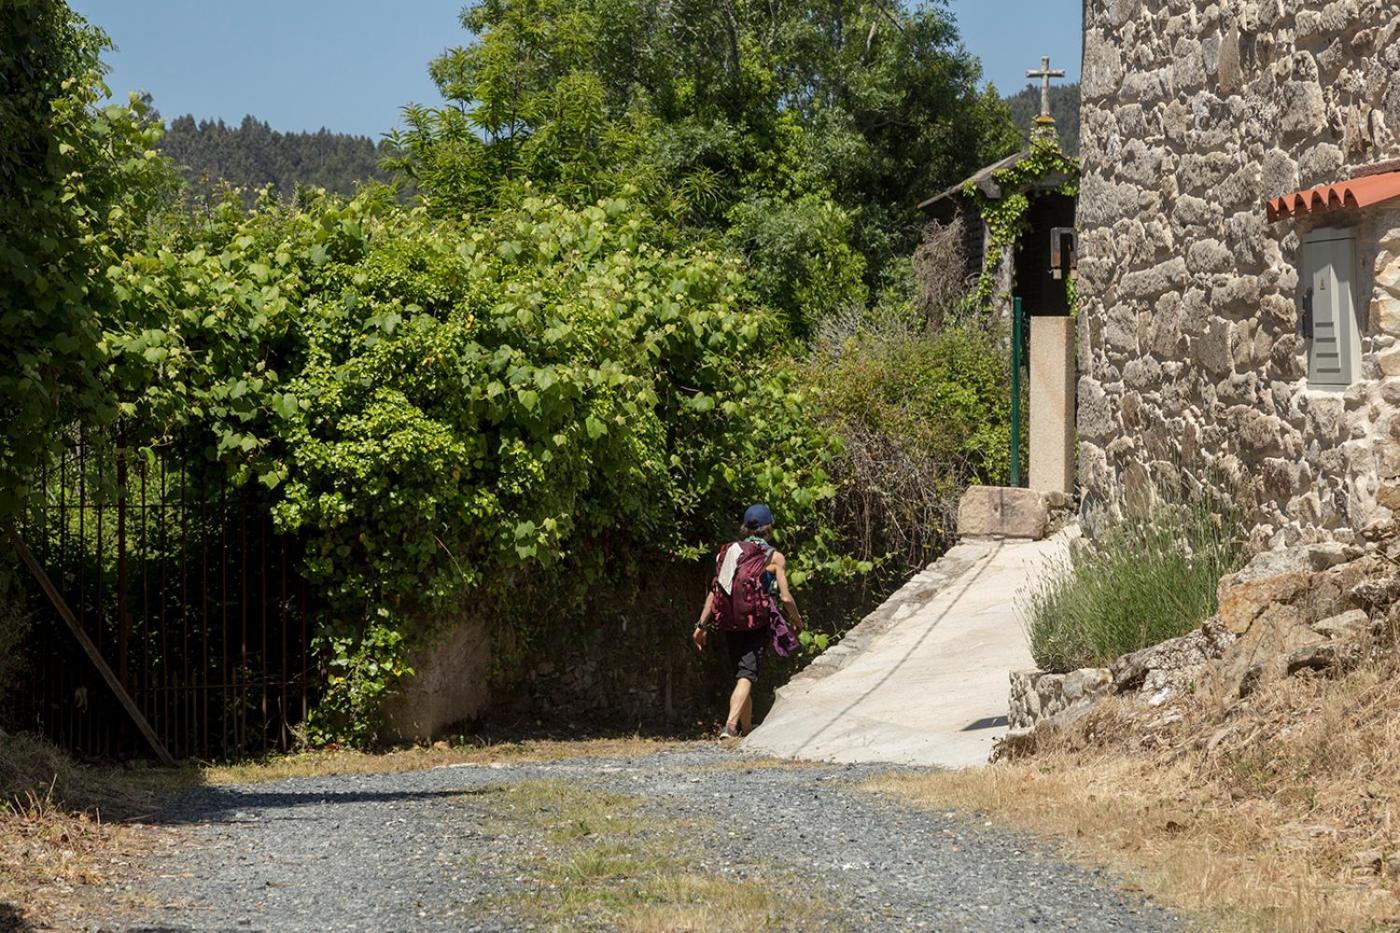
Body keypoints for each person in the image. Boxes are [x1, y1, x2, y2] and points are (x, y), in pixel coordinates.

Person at [692, 504, 803, 739]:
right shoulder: (774, 556)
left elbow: (715, 591)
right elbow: (785, 596)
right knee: (746, 676)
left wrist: (701, 625)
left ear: (745, 527)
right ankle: (730, 727)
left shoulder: (730, 552)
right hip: (756, 623)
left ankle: (747, 730)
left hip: (730, 622)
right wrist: (797, 620)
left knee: (743, 677)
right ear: (769, 527)